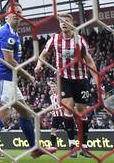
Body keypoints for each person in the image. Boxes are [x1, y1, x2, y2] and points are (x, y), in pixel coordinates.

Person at [0, 11, 52, 157]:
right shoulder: (6, 33)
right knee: (3, 116)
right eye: (13, 12)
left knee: (26, 113)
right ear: (6, 16)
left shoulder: (14, 34)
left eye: (20, 12)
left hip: (9, 78)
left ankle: (34, 149)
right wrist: (28, 76)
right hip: (0, 77)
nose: (17, 14)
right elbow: (9, 61)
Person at [35, 13, 97, 157]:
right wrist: (39, 64)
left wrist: (97, 80)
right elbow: (43, 54)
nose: (63, 23)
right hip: (63, 78)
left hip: (80, 79)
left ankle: (84, 146)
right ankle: (72, 145)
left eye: (66, 21)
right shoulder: (55, 39)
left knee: (81, 111)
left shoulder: (80, 40)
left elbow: (89, 61)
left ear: (72, 24)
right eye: (61, 21)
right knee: (68, 109)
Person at [45, 79, 76, 152]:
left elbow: (65, 105)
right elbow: (53, 106)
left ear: (57, 87)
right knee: (52, 130)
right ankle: (53, 146)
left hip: (63, 115)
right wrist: (49, 109)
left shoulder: (61, 95)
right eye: (51, 88)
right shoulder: (51, 97)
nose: (52, 89)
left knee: (69, 131)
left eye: (54, 87)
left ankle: (72, 145)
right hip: (55, 116)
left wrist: (59, 108)